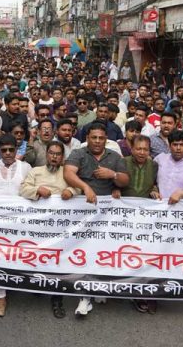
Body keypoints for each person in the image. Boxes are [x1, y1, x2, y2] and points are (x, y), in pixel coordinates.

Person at [64, 122, 129, 316]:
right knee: (84, 252)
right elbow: (68, 173)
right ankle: (85, 297)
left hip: (107, 215)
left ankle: (99, 287)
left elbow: (125, 180)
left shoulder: (114, 156)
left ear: (106, 139)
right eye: (94, 137)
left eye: (101, 138)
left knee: (104, 252)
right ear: (87, 138)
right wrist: (86, 187)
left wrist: (113, 175)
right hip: (83, 211)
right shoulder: (79, 153)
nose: (98, 141)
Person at [0, 134, 32, 317]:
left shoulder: (26, 167)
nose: (8, 153)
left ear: (16, 149)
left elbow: (31, 189)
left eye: (11, 149)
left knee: (20, 255)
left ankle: (23, 286)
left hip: (21, 222)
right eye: (4, 150)